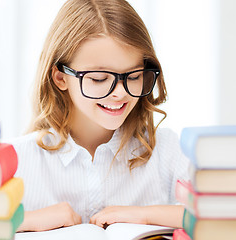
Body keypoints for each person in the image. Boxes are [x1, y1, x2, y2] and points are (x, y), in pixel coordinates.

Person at [11, 0, 189, 232]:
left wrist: (144, 215)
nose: (120, 92)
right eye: (98, 79)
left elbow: (219, 216)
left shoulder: (166, 150)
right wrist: (25, 221)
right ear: (60, 77)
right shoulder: (18, 160)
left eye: (134, 76)